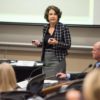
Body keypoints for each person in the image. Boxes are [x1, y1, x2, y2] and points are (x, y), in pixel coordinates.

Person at [32, 5, 71, 78]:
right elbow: (47, 43)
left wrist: (57, 42)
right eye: (50, 14)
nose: (53, 16)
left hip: (58, 59)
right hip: (46, 59)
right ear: (47, 16)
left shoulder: (64, 27)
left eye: (55, 14)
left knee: (56, 82)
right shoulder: (45, 27)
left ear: (58, 16)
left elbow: (68, 45)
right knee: (46, 81)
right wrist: (39, 43)